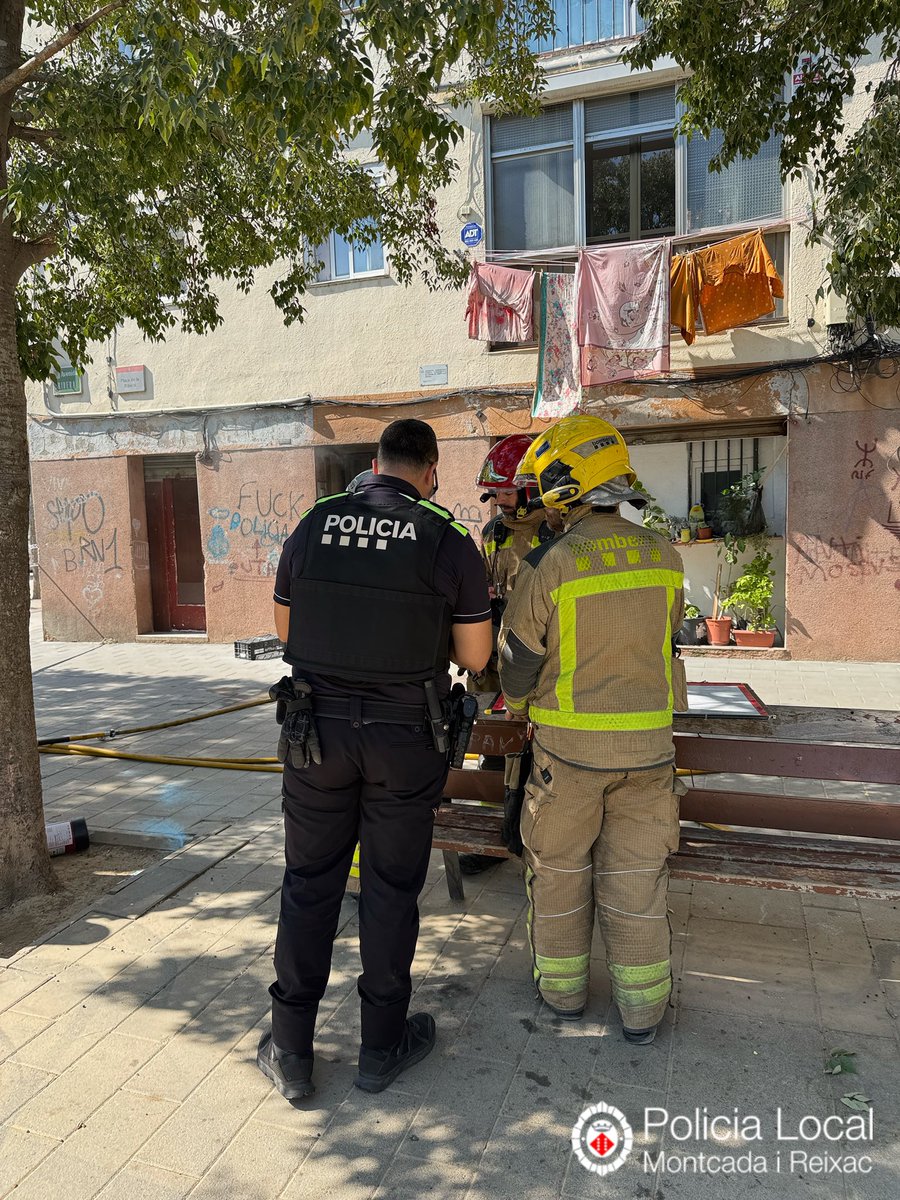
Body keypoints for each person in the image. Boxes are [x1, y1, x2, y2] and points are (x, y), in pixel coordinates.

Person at [260, 419, 491, 1102]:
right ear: (431, 469)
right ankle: (380, 1048)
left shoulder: (315, 521)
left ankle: (292, 1050)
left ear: (374, 463)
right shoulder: (447, 538)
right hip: (404, 741)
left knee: (309, 883)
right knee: (390, 891)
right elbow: (475, 658)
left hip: (316, 737)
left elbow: (286, 631)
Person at [497, 415, 687, 1044]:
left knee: (559, 874)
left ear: (565, 484)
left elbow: (518, 667)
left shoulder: (551, 561)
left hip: (567, 760)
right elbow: (666, 644)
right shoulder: (665, 555)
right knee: (637, 881)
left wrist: (523, 700)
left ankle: (564, 996)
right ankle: (642, 1013)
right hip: (650, 757)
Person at [460, 435, 558, 876]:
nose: (497, 500)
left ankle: (545, 842)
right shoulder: (492, 533)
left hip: (544, 662)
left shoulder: (558, 533)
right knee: (494, 751)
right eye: (494, 493)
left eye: (504, 491)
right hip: (498, 661)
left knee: (545, 756)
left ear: (530, 488)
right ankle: (494, 839)